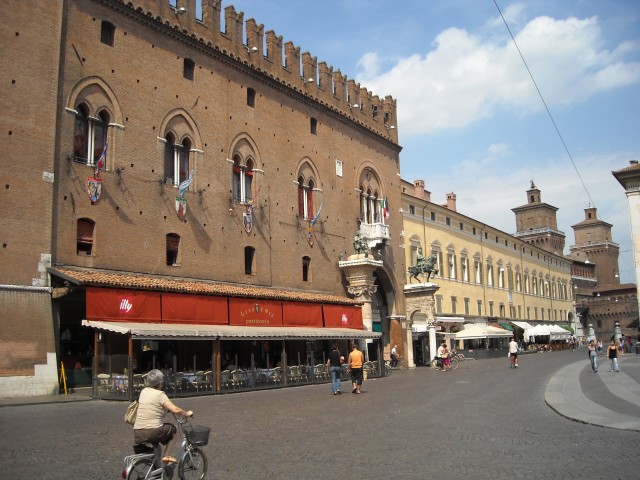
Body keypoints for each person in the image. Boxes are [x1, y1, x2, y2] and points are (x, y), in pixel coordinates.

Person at [133, 369, 194, 464]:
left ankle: (157, 472)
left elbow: (151, 404)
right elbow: (176, 410)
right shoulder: (160, 395)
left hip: (137, 432)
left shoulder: (144, 391)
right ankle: (167, 455)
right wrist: (187, 414)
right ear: (160, 383)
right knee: (174, 430)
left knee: (157, 448)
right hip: (152, 431)